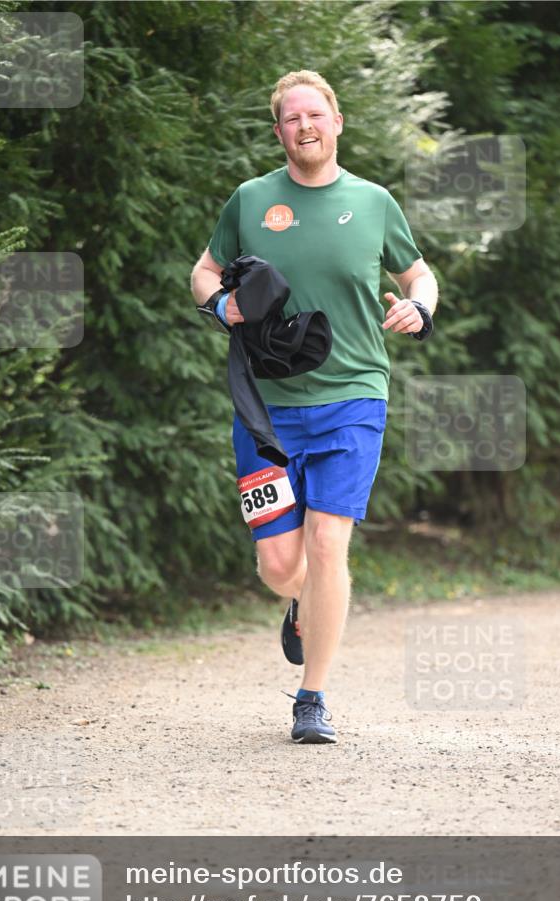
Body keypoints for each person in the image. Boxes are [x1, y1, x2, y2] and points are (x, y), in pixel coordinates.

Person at [190, 70, 438, 745]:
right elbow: (203, 271)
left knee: (329, 542)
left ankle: (312, 697)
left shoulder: (374, 201)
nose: (304, 126)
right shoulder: (250, 200)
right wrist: (220, 304)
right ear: (278, 132)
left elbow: (417, 273)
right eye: (291, 118)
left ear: (336, 121)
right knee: (278, 565)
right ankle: (300, 603)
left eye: (315, 115)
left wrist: (418, 306)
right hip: (263, 406)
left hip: (353, 396)